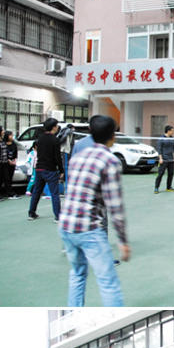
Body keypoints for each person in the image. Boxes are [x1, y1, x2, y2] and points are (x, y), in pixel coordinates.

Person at [58, 115, 131, 307]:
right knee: (108, 283)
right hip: (88, 228)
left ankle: (75, 312)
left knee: (77, 273)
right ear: (113, 136)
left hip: (66, 226)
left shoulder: (77, 157)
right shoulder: (110, 161)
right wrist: (122, 241)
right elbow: (115, 206)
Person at [28, 117, 64, 221]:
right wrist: (61, 170)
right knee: (54, 193)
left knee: (36, 191)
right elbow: (57, 157)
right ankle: (57, 216)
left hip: (39, 168)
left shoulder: (40, 139)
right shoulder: (55, 140)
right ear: (53, 127)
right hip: (50, 169)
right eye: (56, 126)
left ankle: (31, 213)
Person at [155, 125, 174, 193]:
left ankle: (168, 187)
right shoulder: (162, 139)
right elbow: (159, 149)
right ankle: (156, 187)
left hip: (171, 159)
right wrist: (160, 158)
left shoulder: (172, 138)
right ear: (168, 131)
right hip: (164, 159)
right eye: (172, 130)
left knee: (171, 173)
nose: (173, 132)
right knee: (160, 174)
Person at [4, 130, 19, 200]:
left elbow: (15, 153)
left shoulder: (13, 144)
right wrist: (8, 160)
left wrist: (15, 160)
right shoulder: (4, 144)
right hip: (6, 162)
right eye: (10, 135)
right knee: (6, 178)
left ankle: (9, 191)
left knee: (10, 177)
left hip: (13, 162)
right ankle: (9, 193)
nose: (12, 137)